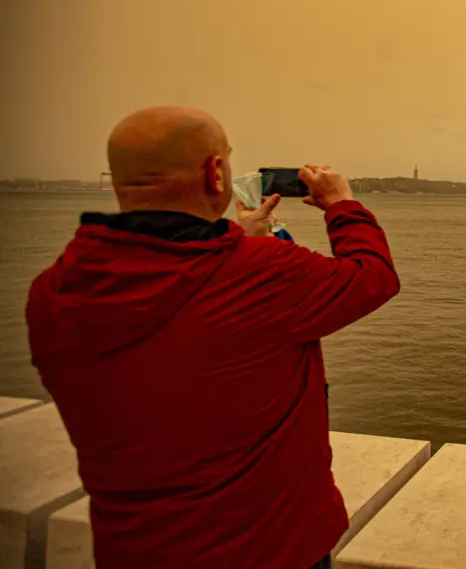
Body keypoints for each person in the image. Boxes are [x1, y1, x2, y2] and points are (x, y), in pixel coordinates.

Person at [26, 106, 401, 568]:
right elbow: (373, 277)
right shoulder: (262, 275)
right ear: (216, 171)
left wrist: (239, 241)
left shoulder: (55, 291)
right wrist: (342, 204)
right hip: (272, 550)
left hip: (135, 551)